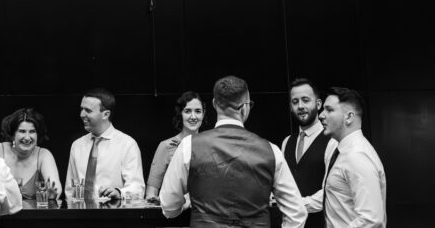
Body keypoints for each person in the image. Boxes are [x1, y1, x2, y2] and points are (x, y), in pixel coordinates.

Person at [159, 75, 307, 228]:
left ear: (215, 104)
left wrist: (182, 206)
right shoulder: (271, 150)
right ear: (245, 107)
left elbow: (169, 205)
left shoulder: (188, 146)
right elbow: (296, 213)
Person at [319, 87, 386, 228]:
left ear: (348, 117)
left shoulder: (356, 156)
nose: (321, 115)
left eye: (329, 110)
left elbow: (371, 219)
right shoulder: (341, 150)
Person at [64, 88, 145, 204]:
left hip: (113, 216)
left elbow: (138, 189)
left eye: (88, 110)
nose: (81, 114)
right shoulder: (77, 145)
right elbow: (70, 190)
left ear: (105, 114)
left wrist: (118, 192)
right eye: (81, 109)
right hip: (80, 216)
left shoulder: (127, 144)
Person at [280, 78, 338, 228]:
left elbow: (329, 192)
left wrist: (296, 205)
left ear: (318, 104)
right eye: (295, 102)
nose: (300, 106)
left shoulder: (332, 141)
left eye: (305, 100)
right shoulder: (287, 142)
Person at [0, 108, 62, 200]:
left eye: (32, 132)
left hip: (33, 215)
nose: (27, 137)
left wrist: (52, 194)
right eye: (22, 131)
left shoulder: (44, 155)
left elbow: (55, 188)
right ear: (13, 134)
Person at [145, 91, 205, 201]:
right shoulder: (166, 146)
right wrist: (155, 201)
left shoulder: (210, 144)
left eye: (198, 111)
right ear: (180, 114)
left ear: (203, 114)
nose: (193, 116)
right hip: (174, 213)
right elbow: (151, 191)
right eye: (187, 111)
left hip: (204, 213)